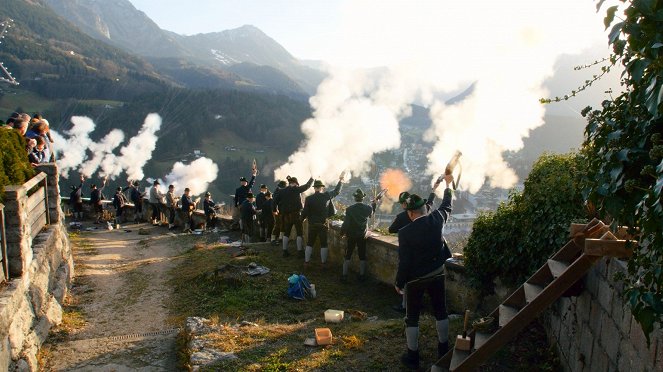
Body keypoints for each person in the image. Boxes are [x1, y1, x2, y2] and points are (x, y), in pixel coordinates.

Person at [395, 174, 454, 370]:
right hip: (437, 273)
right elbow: (447, 205)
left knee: (412, 317)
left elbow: (404, 262)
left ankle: (413, 356)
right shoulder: (437, 218)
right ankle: (443, 349)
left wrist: (399, 282)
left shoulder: (405, 233)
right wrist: (447, 186)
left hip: (415, 279)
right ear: (424, 209)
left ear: (411, 213)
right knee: (441, 311)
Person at [389, 184, 440, 313]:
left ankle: (405, 305)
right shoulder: (425, 210)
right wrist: (433, 190)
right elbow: (430, 202)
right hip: (428, 254)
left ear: (403, 204)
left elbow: (391, 230)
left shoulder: (401, 217)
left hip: (409, 253)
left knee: (407, 280)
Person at [301, 174, 344, 267]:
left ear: (314, 188)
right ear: (321, 188)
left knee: (310, 243)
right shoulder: (327, 196)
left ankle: (306, 262)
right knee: (324, 244)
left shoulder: (309, 199)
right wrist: (340, 181)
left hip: (312, 224)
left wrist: (301, 219)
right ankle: (323, 263)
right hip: (323, 225)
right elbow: (337, 191)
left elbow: (305, 212)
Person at [340, 189, 377, 282]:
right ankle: (362, 275)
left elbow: (346, 224)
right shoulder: (368, 208)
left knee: (348, 254)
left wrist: (342, 233)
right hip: (362, 235)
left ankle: (344, 275)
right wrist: (374, 204)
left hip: (351, 235)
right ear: (363, 198)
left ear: (354, 198)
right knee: (362, 255)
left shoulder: (349, 209)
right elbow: (371, 212)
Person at [273, 176, 314, 257]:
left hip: (286, 215)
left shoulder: (282, 191)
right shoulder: (296, 189)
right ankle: (299, 251)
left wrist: (275, 210)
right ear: (295, 183)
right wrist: (312, 178)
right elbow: (307, 185)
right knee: (299, 233)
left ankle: (284, 251)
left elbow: (274, 201)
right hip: (296, 214)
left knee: (286, 233)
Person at [270, 180, 287, 245]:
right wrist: (275, 210)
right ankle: (273, 239)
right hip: (277, 210)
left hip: (282, 210)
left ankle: (281, 238)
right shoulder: (277, 192)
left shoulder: (280, 191)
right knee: (277, 224)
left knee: (283, 224)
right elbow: (274, 202)